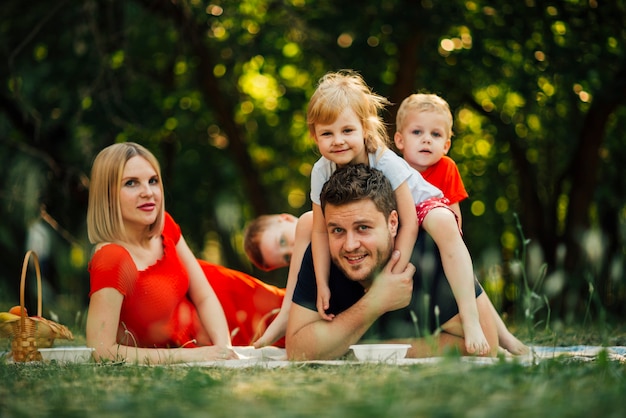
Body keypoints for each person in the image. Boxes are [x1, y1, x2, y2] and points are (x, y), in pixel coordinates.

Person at [307, 70, 490, 355]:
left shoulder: (381, 158)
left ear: (364, 130)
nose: (338, 141)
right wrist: (321, 283)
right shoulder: (321, 171)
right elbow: (319, 231)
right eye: (327, 133)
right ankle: (286, 317)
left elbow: (409, 221)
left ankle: (471, 318)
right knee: (306, 222)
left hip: (419, 206)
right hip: (388, 216)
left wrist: (391, 272)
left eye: (347, 131)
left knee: (443, 222)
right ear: (314, 136)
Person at [85, 142, 285, 364]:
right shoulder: (111, 258)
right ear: (107, 194)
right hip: (211, 341)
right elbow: (101, 350)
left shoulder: (165, 226)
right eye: (131, 183)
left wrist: (224, 348)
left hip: (236, 309)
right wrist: (192, 355)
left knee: (309, 307)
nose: (148, 193)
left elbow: (204, 294)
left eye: (153, 181)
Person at [285, 164, 498, 360]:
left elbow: (488, 344)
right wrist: (375, 303)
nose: (349, 245)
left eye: (363, 228)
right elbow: (296, 349)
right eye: (338, 230)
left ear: (393, 223)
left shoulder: (430, 253)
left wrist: (376, 350)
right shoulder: (321, 258)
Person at [394, 93, 528, 355]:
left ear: (446, 144)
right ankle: (494, 340)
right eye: (417, 132)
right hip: (415, 251)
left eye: (435, 135)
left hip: (441, 246)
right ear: (400, 139)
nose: (426, 139)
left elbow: (454, 216)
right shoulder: (394, 169)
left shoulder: (446, 168)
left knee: (470, 284)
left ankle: (502, 336)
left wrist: (453, 250)